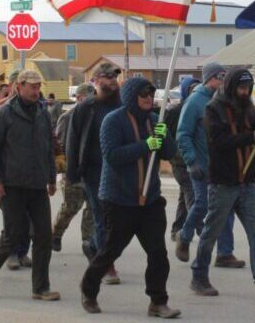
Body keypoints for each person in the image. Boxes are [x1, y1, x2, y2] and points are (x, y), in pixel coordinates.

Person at [80, 77, 181, 318]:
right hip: (118, 199)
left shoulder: (155, 120)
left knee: (158, 253)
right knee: (110, 250)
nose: (148, 99)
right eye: (143, 95)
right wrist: (146, 144)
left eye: (150, 94)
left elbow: (169, 152)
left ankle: (158, 301)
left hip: (150, 200)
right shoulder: (112, 121)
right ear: (130, 97)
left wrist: (163, 136)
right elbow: (112, 155)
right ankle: (89, 290)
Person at [189, 68, 255, 301]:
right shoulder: (213, 110)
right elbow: (218, 142)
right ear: (231, 87)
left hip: (248, 184)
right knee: (211, 233)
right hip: (223, 184)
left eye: (248, 88)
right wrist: (251, 137)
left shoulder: (249, 109)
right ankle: (199, 276)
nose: (245, 92)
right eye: (241, 88)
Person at [0, 70, 60, 301]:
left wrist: (52, 178)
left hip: (37, 185)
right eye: (31, 87)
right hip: (11, 185)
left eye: (38, 87)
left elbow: (48, 148)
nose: (36, 91)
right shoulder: (5, 113)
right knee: (13, 234)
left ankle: (40, 288)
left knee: (44, 236)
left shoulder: (42, 113)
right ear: (19, 86)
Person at [174, 63, 244, 269]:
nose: (223, 81)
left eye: (225, 77)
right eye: (220, 76)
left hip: (222, 166)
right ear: (209, 78)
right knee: (202, 204)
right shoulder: (195, 102)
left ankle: (224, 253)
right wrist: (191, 161)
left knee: (226, 208)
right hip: (201, 165)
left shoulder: (225, 102)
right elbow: (183, 134)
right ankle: (184, 236)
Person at [67, 63, 123, 284]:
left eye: (115, 77)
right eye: (108, 77)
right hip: (94, 173)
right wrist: (72, 174)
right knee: (102, 219)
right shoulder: (85, 108)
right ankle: (107, 265)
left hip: (120, 171)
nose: (112, 81)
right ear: (96, 80)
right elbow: (72, 141)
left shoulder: (123, 105)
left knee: (118, 221)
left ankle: (92, 246)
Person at [52, 82, 95, 253]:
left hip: (91, 171)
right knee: (71, 207)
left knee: (92, 208)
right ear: (78, 98)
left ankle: (88, 242)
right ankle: (55, 234)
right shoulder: (67, 117)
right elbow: (60, 145)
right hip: (73, 171)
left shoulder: (97, 116)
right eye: (87, 97)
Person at [164, 77, 200, 242]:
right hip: (179, 162)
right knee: (192, 195)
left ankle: (177, 229)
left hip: (196, 160)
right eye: (192, 89)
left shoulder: (201, 109)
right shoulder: (173, 111)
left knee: (184, 195)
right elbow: (160, 134)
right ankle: (200, 230)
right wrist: (154, 150)